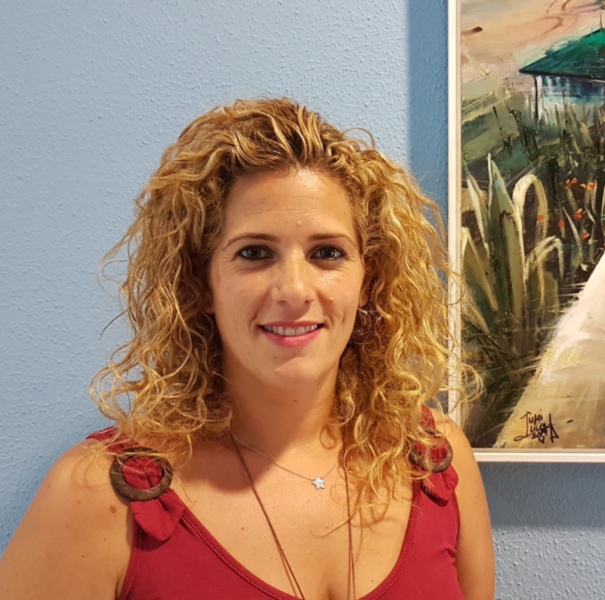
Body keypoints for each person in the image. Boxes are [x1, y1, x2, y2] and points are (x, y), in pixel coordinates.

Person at [0, 98, 495, 599]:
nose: (296, 290)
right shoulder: (94, 497)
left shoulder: (438, 460)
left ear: (368, 281)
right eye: (254, 253)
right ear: (201, 284)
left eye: (328, 253)